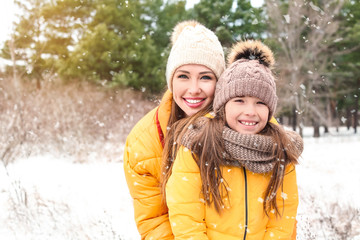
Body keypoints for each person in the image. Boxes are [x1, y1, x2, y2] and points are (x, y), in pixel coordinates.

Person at [164, 40, 304, 239]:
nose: (250, 112)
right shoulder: (198, 145)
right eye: (239, 100)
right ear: (222, 106)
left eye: (260, 103)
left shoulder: (280, 152)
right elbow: (185, 213)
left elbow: (283, 215)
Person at [123, 20, 226, 240]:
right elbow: (154, 222)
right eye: (183, 76)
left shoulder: (244, 121)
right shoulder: (144, 141)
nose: (194, 89)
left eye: (206, 77)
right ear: (171, 80)